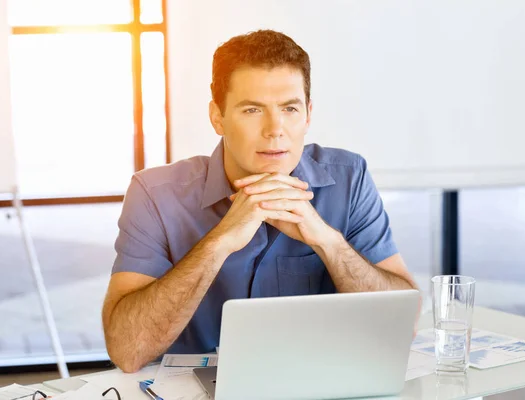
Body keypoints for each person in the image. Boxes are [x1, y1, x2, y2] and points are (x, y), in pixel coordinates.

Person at [102, 29, 420, 373]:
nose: (275, 129)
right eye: (252, 110)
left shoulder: (350, 177)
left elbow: (403, 325)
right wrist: (218, 243)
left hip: (321, 386)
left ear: (308, 114)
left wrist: (327, 242)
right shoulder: (155, 193)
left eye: (289, 108)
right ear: (217, 117)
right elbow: (127, 350)